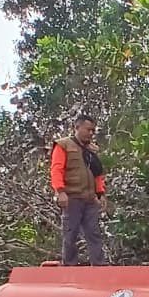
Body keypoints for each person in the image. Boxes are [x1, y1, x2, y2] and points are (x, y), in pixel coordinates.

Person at [51, 113, 108, 266]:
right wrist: (60, 191)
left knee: (94, 234)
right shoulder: (63, 145)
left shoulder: (90, 150)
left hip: (89, 199)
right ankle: (69, 266)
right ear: (77, 127)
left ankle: (99, 266)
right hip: (72, 197)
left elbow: (97, 174)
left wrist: (100, 193)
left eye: (93, 131)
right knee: (71, 234)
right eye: (88, 129)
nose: (91, 133)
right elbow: (57, 170)